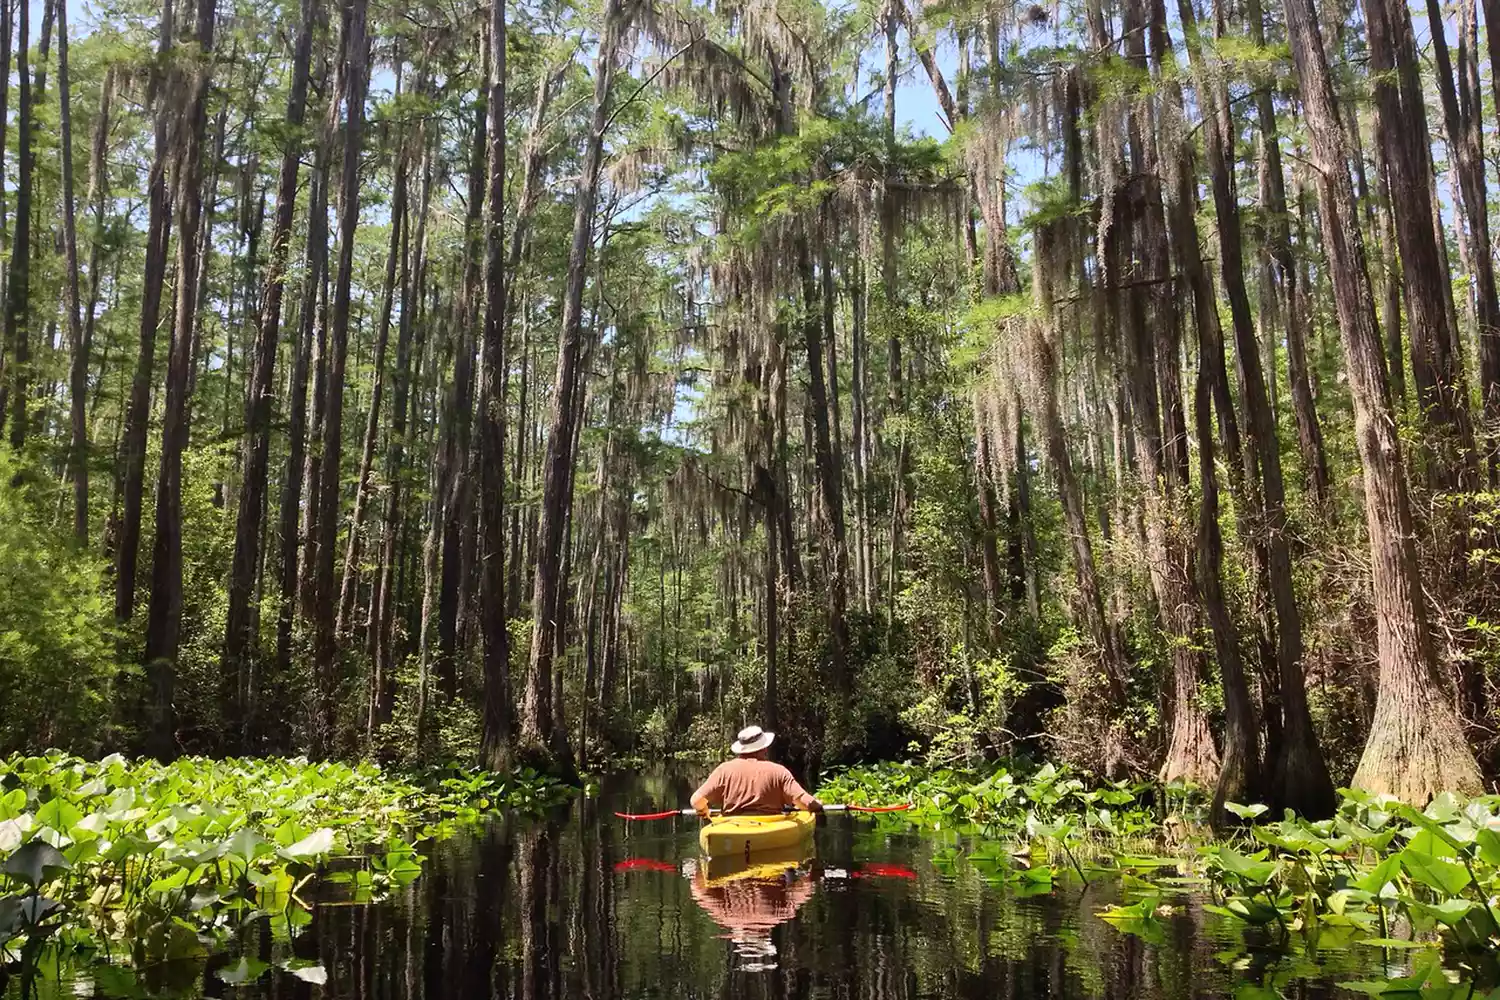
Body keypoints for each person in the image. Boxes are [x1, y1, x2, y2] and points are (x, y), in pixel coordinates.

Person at [691, 725, 824, 818]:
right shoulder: (779, 771)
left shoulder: (723, 770)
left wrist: (703, 811)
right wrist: (817, 805)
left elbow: (696, 801)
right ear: (764, 748)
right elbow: (803, 801)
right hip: (769, 828)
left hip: (732, 827)